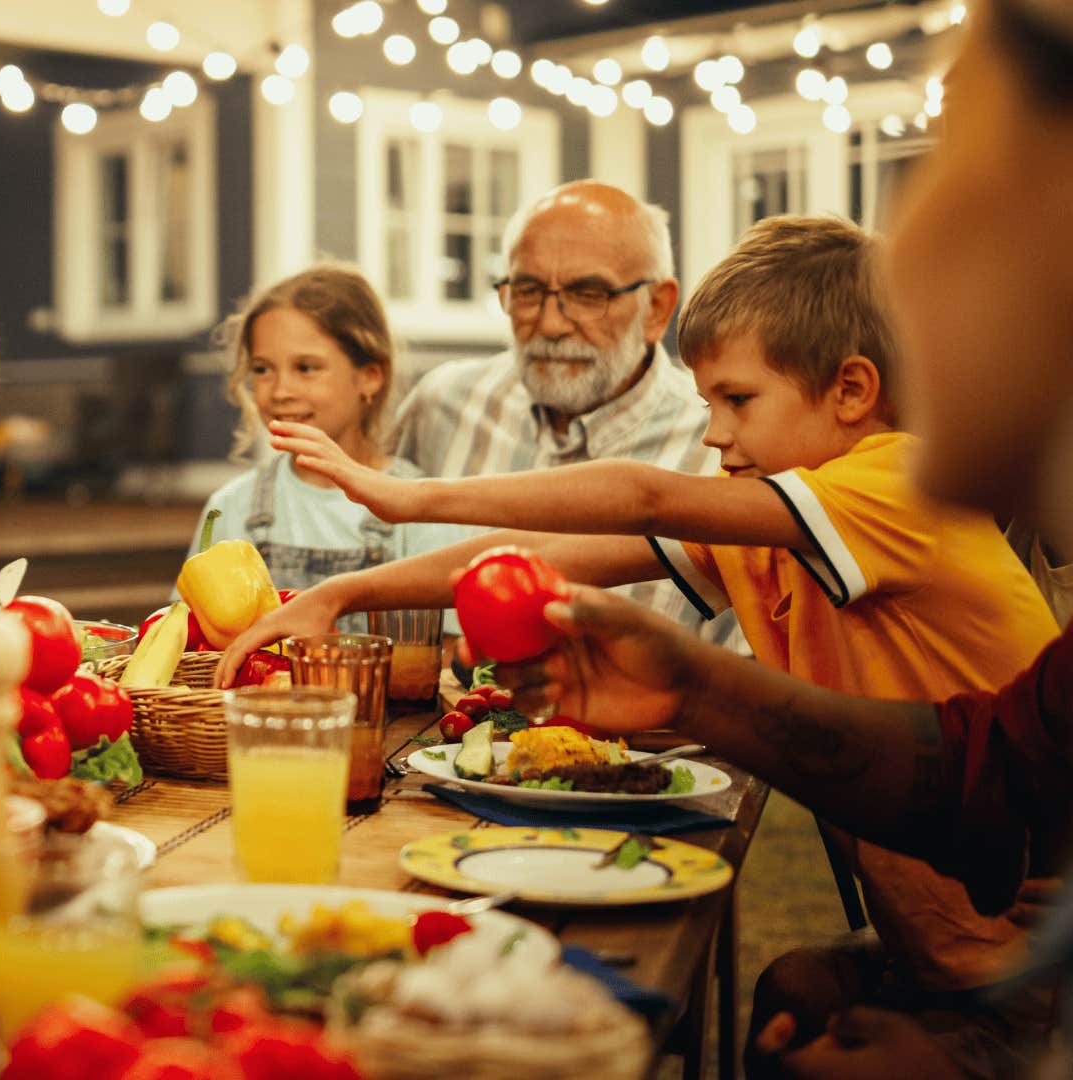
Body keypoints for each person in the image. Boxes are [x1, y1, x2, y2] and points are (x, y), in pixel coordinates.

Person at [222, 214, 1060, 1076]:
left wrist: (407, 496)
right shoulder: (773, 522)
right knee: (791, 993)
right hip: (935, 949)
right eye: (706, 405)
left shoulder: (899, 484)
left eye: (737, 401)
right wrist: (345, 591)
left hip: (1028, 969)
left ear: (850, 391)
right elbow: (535, 559)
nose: (714, 435)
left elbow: (646, 499)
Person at [448, 2, 1073, 1072]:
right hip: (976, 966)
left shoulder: (875, 488)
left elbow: (648, 504)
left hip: (1006, 988)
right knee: (789, 990)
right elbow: (977, 776)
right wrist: (691, 689)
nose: (910, 240)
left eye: (961, 150)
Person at [391, 180, 740, 648]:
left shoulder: (718, 447)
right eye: (528, 290)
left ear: (657, 308)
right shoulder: (444, 405)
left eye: (588, 294)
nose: (551, 324)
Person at [185, 265, 467, 612]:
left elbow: (445, 651)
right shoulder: (230, 507)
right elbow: (194, 637)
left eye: (306, 368)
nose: (281, 391)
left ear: (370, 376)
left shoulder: (422, 511)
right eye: (262, 369)